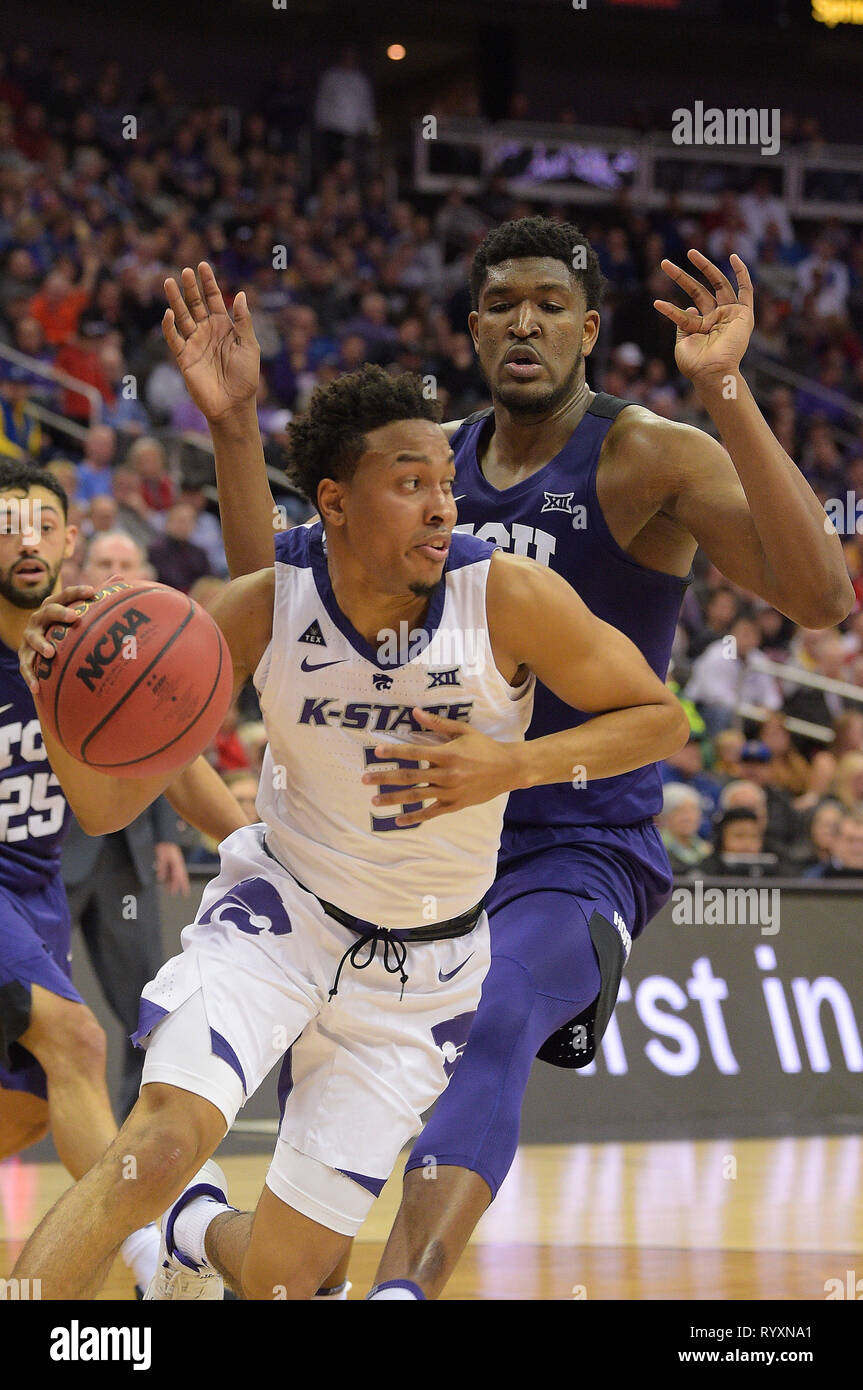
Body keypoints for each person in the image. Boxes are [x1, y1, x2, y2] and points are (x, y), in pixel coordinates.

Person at [158, 232, 853, 1301]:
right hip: (407, 842)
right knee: (293, 1271)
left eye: (547, 303)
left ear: (587, 328)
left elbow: (821, 601)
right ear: (471, 328)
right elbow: (274, 588)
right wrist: (231, 427)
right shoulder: (426, 464)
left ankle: (405, 1294)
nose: (520, 321)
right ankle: (201, 1231)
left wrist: (722, 387)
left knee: (495, 1003)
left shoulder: (646, 456)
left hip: (576, 841)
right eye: (497, 304)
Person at [12, 365, 688, 1300]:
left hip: (422, 973)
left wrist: (515, 763)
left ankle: (191, 1230)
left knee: (289, 1279)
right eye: (410, 483)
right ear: (332, 501)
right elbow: (105, 807)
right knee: (163, 1138)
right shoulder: (259, 603)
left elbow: (661, 720)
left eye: (445, 485)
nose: (442, 507)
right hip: (278, 918)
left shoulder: (505, 598)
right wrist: (56, 700)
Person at [0, 460, 250, 1293]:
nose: (26, 541)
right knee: (76, 1040)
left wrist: (252, 844)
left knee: (31, 1103)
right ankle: (154, 1258)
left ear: (71, 540)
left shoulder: (96, 643)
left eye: (42, 524)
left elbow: (169, 757)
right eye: (7, 525)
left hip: (30, 888)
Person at [61, 531, 189, 1118]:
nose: (115, 571)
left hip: (125, 850)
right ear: (83, 570)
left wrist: (166, 835)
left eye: (125, 562)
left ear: (143, 572)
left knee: (147, 1009)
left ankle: (125, 1148)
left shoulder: (164, 648)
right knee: (34, 1004)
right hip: (52, 849)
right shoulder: (56, 637)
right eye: (104, 563)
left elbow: (166, 751)